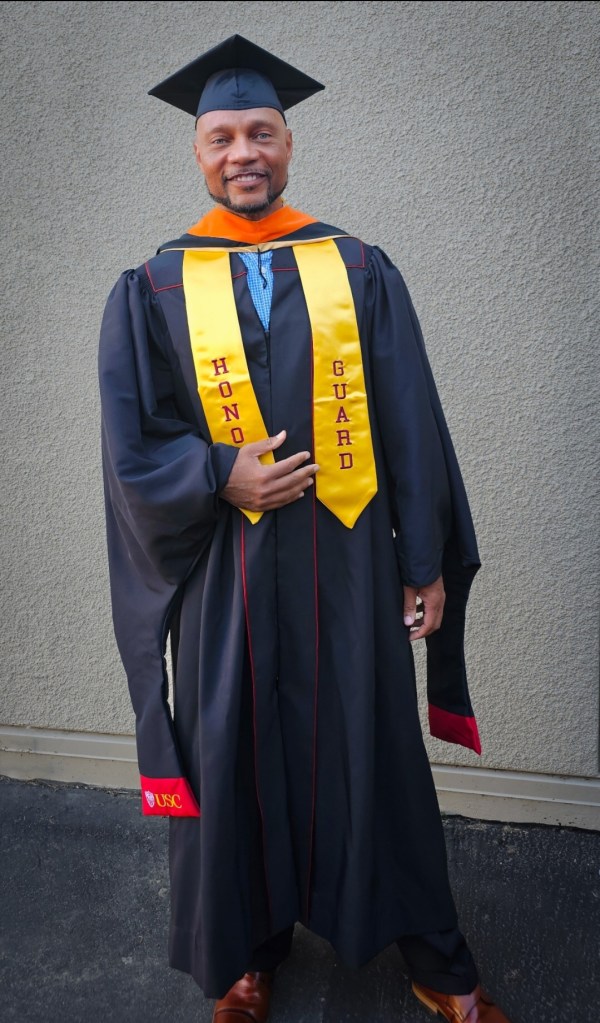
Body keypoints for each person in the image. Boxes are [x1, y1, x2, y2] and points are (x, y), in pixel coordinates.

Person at [99, 34, 510, 1023]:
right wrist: (217, 471)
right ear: (198, 153)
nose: (243, 153)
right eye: (222, 137)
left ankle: (435, 959)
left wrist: (424, 560)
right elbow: (132, 440)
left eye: (262, 133)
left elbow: (410, 420)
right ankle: (246, 957)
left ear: (289, 144)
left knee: (376, 753)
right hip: (225, 569)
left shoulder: (357, 267)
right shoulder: (155, 285)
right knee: (229, 752)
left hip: (350, 565)